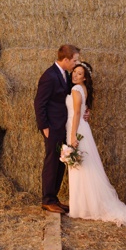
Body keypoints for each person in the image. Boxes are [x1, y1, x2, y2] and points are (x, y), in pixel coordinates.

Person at [65, 62, 126, 226]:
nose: (75, 75)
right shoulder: (83, 89)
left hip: (76, 129)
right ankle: (84, 205)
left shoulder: (75, 89)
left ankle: (83, 207)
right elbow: (84, 110)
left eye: (79, 74)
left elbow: (77, 112)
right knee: (85, 166)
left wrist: (72, 136)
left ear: (85, 77)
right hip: (82, 128)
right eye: (74, 72)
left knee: (81, 167)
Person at [34, 44, 79, 214]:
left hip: (62, 126)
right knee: (52, 162)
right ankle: (47, 200)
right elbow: (39, 103)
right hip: (52, 127)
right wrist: (44, 126)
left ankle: (54, 197)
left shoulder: (64, 75)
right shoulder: (49, 76)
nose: (76, 63)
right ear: (66, 59)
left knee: (60, 164)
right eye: (74, 60)